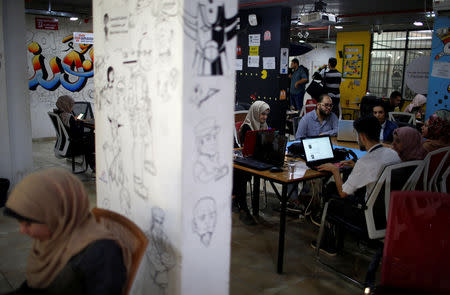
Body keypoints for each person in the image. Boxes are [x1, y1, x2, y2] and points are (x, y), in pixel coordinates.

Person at [3, 168, 130, 295]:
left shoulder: (102, 253)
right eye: (20, 223)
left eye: (28, 224)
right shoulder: (54, 238)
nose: (22, 230)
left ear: (57, 216)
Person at [312, 116, 401, 255]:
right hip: (390, 213)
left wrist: (335, 170)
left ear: (362, 136)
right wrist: (356, 164)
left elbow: (343, 193)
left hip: (367, 218)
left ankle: (330, 243)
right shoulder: (393, 154)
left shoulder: (365, 162)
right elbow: (376, 170)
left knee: (331, 192)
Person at [233, 101, 270, 225]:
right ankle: (243, 207)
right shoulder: (246, 127)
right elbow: (248, 149)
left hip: (260, 158)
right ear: (255, 113)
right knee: (240, 172)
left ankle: (238, 200)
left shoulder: (264, 125)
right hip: (249, 159)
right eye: (262, 114)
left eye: (266, 114)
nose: (264, 117)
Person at [54, 95, 96, 171]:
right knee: (92, 138)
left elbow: (71, 126)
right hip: (75, 143)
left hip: (70, 141)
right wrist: (80, 123)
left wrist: (75, 120)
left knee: (91, 136)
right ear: (67, 105)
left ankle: (93, 165)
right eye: (71, 105)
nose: (72, 107)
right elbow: (77, 133)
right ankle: (94, 166)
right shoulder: (69, 117)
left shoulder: (61, 114)